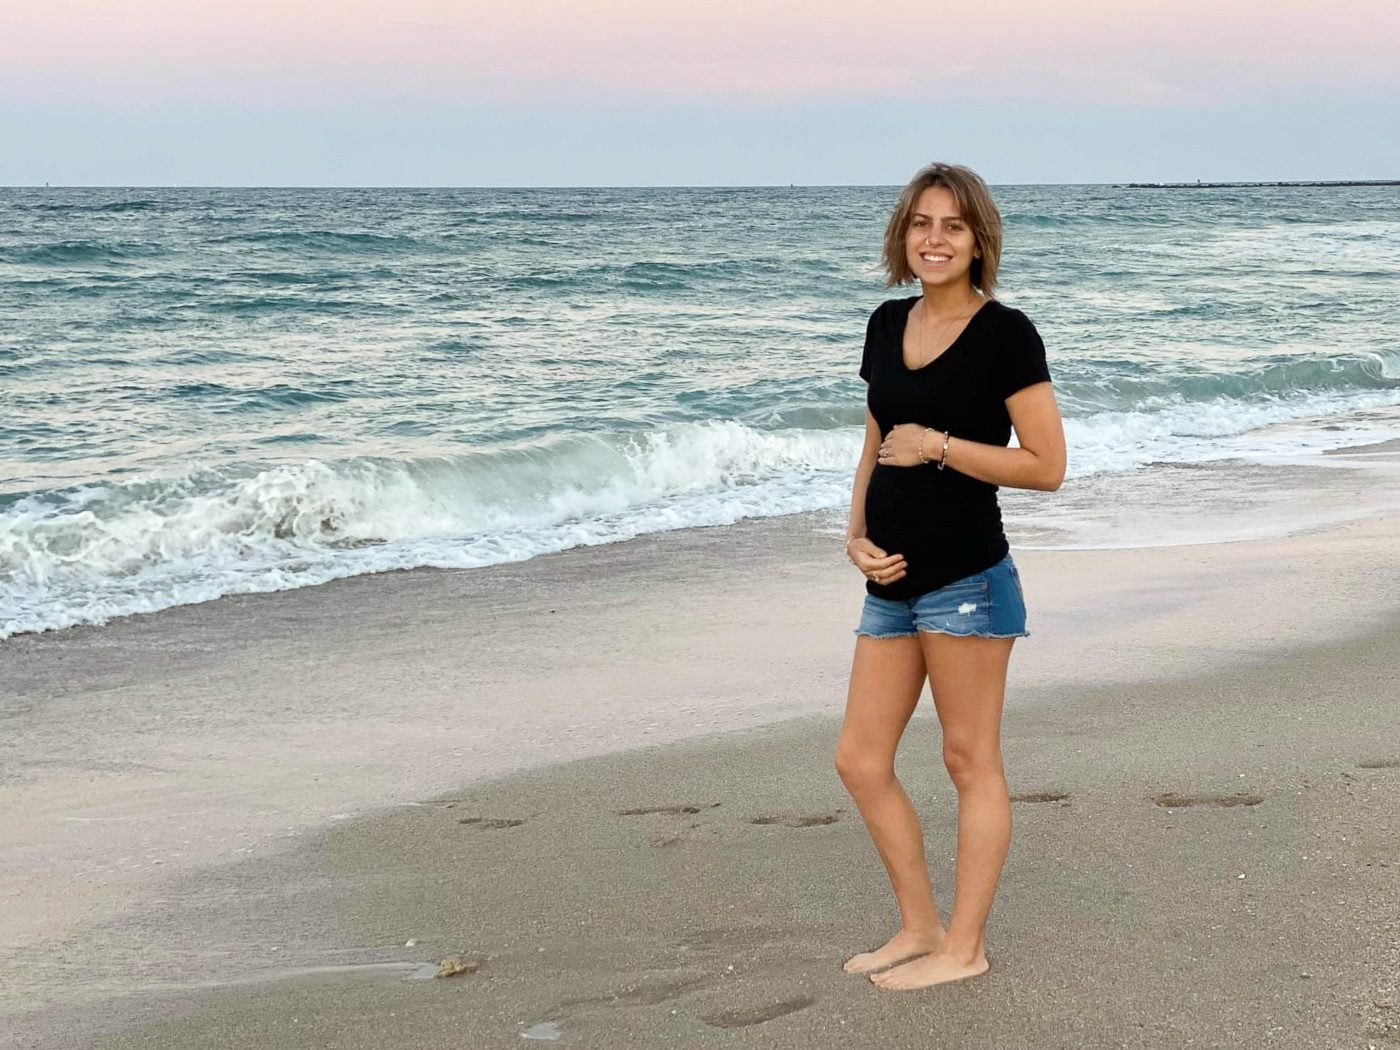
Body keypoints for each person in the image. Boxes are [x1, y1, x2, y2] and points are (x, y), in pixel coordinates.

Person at [836, 162, 1066, 990]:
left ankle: (964, 950)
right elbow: (872, 441)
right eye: (921, 224)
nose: (935, 239)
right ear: (904, 235)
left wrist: (938, 445)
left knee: (969, 760)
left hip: (968, 579)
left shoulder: (1007, 334)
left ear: (978, 243)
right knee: (860, 760)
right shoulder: (885, 321)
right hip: (889, 581)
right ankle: (919, 926)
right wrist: (855, 535)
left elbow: (1046, 466)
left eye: (953, 227)